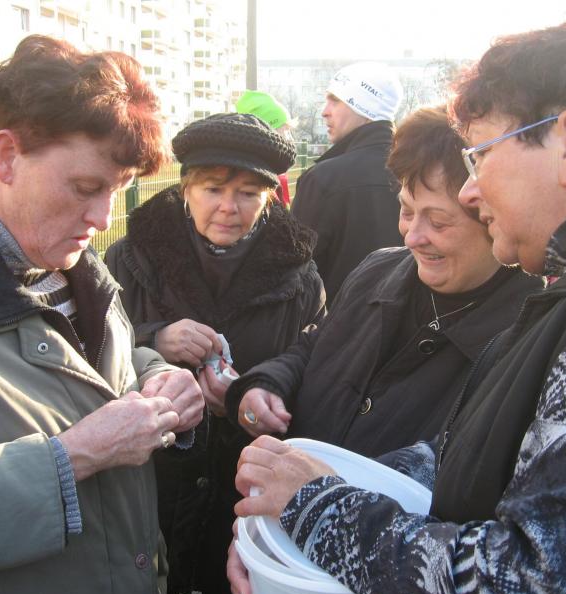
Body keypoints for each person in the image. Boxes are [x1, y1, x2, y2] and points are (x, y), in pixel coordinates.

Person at [230, 16, 566, 594]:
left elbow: (536, 582)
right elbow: (476, 453)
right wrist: (285, 516)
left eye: (480, 156)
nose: (471, 190)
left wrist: (315, 508)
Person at [0, 35, 205, 594]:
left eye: (118, 189)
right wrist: (71, 457)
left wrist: (155, 374)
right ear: (6, 155)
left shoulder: (68, 259)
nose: (103, 216)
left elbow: (85, 373)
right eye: (85, 187)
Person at [226, 106, 539, 457]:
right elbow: (315, 347)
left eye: (438, 222)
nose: (412, 237)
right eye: (406, 211)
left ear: (492, 217)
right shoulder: (377, 269)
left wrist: (327, 485)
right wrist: (269, 383)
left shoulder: (526, 338)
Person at [104, 112, 325, 594]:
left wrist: (252, 398)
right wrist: (153, 339)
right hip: (150, 486)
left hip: (240, 491)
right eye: (213, 189)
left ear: (269, 197)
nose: (229, 207)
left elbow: (310, 368)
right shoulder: (128, 259)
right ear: (185, 188)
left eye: (247, 193)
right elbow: (86, 351)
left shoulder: (301, 277)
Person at [291, 61, 404, 305]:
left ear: (363, 107)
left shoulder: (324, 179)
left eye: (335, 100)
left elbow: (291, 274)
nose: (325, 111)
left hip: (336, 321)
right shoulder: (418, 170)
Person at [235, 89, 297, 205]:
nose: (291, 139)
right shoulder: (253, 182)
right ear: (269, 133)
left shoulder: (278, 176)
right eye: (286, 131)